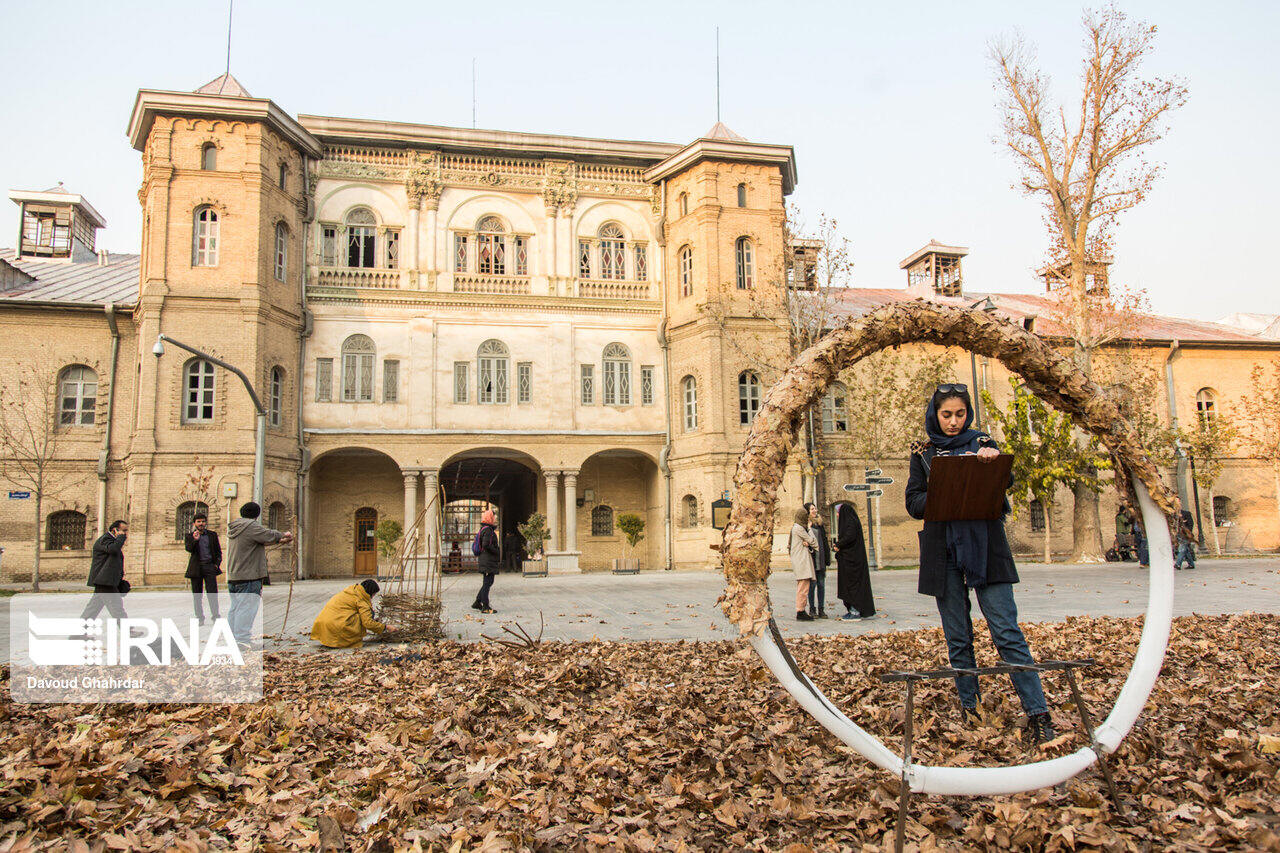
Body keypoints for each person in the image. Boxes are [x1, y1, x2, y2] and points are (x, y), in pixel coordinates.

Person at [905, 383, 1056, 744]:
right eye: (946, 415)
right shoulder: (923, 452)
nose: (953, 422)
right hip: (943, 552)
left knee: (1006, 631)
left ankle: (1038, 713)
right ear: (935, 415)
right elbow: (913, 503)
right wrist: (944, 488)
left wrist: (991, 462)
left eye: (960, 414)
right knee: (958, 636)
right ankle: (971, 709)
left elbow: (1008, 481)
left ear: (968, 414)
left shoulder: (983, 443)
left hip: (985, 546)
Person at [225, 501, 292, 648]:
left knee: (235, 608)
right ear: (257, 515)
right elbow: (267, 534)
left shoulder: (237, 527)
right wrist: (284, 534)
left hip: (234, 575)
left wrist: (280, 540)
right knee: (246, 609)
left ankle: (233, 639)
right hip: (249, 576)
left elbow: (259, 540)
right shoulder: (251, 526)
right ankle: (242, 641)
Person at [311, 579, 390, 649]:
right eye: (374, 594)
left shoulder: (351, 591)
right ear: (370, 592)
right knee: (367, 614)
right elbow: (367, 623)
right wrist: (385, 627)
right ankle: (343, 640)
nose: (373, 597)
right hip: (336, 629)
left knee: (364, 614)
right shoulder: (361, 600)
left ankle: (330, 640)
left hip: (323, 627)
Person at [81, 520, 129, 620]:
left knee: (93, 608)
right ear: (115, 530)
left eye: (126, 531)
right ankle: (126, 628)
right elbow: (113, 549)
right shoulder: (105, 540)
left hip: (105, 581)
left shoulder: (112, 541)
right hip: (105, 581)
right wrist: (120, 537)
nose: (125, 533)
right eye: (123, 530)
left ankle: (81, 629)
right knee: (116, 607)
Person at [834, 503, 875, 620]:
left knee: (853, 587)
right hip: (849, 561)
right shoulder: (850, 523)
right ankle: (852, 609)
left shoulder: (851, 524)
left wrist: (839, 544)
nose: (837, 515)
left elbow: (849, 537)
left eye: (838, 513)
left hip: (853, 563)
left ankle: (855, 611)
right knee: (848, 586)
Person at [183, 512, 222, 625]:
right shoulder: (190, 536)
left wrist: (216, 564)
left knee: (212, 594)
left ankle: (215, 616)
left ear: (206, 523)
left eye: (203, 521)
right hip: (196, 568)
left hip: (209, 567)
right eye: (198, 521)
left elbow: (218, 551)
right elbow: (189, 549)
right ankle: (199, 617)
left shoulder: (212, 535)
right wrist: (195, 540)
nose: (201, 523)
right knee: (197, 595)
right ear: (194, 523)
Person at [788, 507, 817, 622]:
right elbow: (813, 541)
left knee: (803, 586)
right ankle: (800, 610)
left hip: (801, 560)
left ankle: (801, 609)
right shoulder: (799, 528)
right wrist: (809, 528)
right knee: (803, 587)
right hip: (801, 561)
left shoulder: (796, 528)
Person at [803, 502, 832, 618]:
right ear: (807, 512)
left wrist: (827, 557)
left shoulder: (820, 524)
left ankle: (821, 609)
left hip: (821, 558)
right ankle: (812, 609)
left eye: (815, 508)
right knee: (812, 585)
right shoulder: (805, 525)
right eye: (812, 509)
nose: (815, 511)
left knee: (821, 585)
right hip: (812, 559)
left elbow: (824, 541)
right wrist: (809, 528)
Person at [471, 509, 500, 614]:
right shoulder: (488, 530)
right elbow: (486, 545)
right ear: (490, 518)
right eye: (494, 516)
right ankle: (485, 606)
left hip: (486, 560)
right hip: (487, 560)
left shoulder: (484, 529)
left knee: (488, 582)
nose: (495, 518)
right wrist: (496, 551)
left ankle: (477, 602)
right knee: (487, 583)